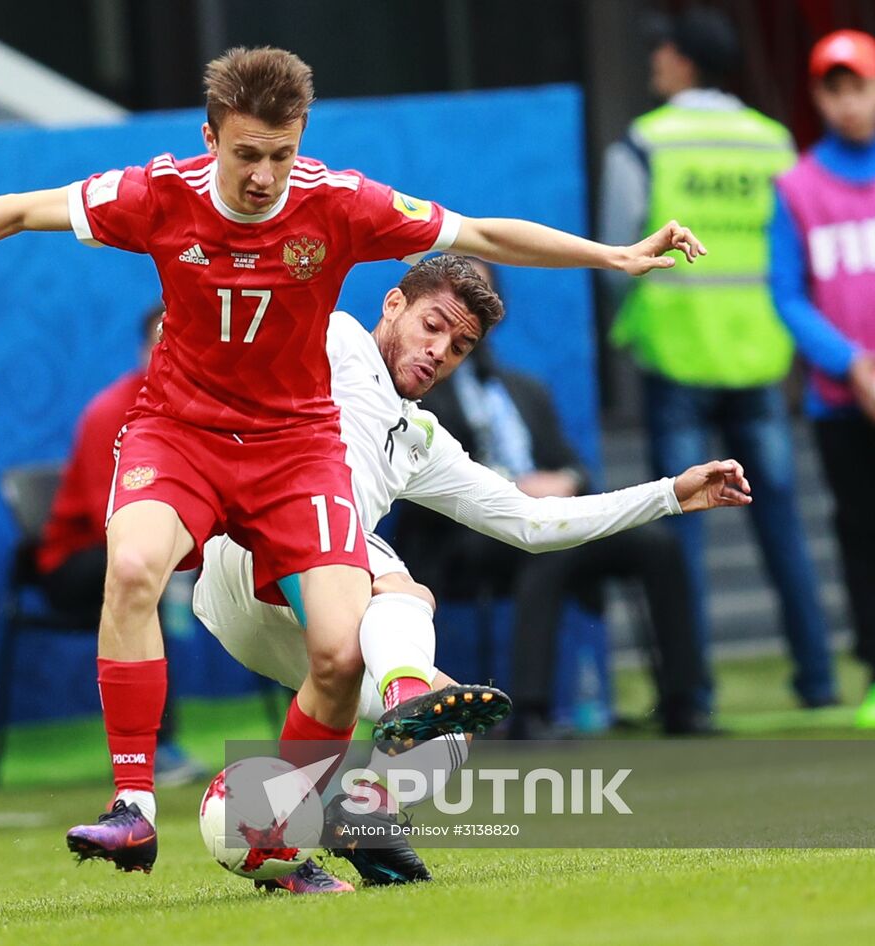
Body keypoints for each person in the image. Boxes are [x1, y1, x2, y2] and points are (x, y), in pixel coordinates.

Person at [0, 46, 705, 876]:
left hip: (293, 449)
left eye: (279, 153)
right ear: (210, 137)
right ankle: (131, 803)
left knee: (338, 654)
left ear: (300, 141)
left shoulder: (342, 203)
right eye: (245, 154)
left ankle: (293, 826)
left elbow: (482, 236)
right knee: (131, 568)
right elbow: (13, 210)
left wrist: (614, 255)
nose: (262, 175)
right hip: (181, 432)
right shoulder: (159, 193)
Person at [193, 255, 750, 892]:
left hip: (295, 613)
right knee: (404, 588)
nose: (439, 352)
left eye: (459, 346)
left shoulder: (421, 438)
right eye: (432, 326)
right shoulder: (339, 340)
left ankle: (337, 824)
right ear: (393, 305)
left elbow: (532, 523)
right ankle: (406, 703)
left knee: (451, 722)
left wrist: (671, 493)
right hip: (251, 548)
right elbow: (249, 318)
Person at [600, 6, 835, 709]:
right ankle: (819, 683)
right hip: (760, 357)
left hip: (676, 356)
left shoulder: (645, 142)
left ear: (683, 61)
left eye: (661, 51)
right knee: (783, 527)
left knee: (682, 528)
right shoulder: (772, 144)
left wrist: (633, 330)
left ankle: (691, 693)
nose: (653, 63)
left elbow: (618, 255)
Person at [399, 339, 710, 738]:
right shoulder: (423, 398)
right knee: (546, 547)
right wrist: (512, 488)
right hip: (469, 532)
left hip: (550, 518)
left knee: (658, 545)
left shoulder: (524, 389)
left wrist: (565, 481)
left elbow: (575, 466)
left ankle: (683, 702)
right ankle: (530, 712)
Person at [37, 304, 204, 784]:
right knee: (141, 579)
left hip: (153, 552)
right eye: (160, 343)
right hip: (73, 563)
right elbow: (106, 520)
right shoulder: (112, 412)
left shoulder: (201, 411)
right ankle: (157, 750)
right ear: (143, 350)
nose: (169, 353)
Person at [771, 29, 875, 728]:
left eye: (858, 86)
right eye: (833, 89)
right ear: (817, 97)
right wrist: (852, 364)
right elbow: (786, 294)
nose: (847, 103)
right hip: (843, 406)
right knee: (861, 536)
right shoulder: (797, 186)